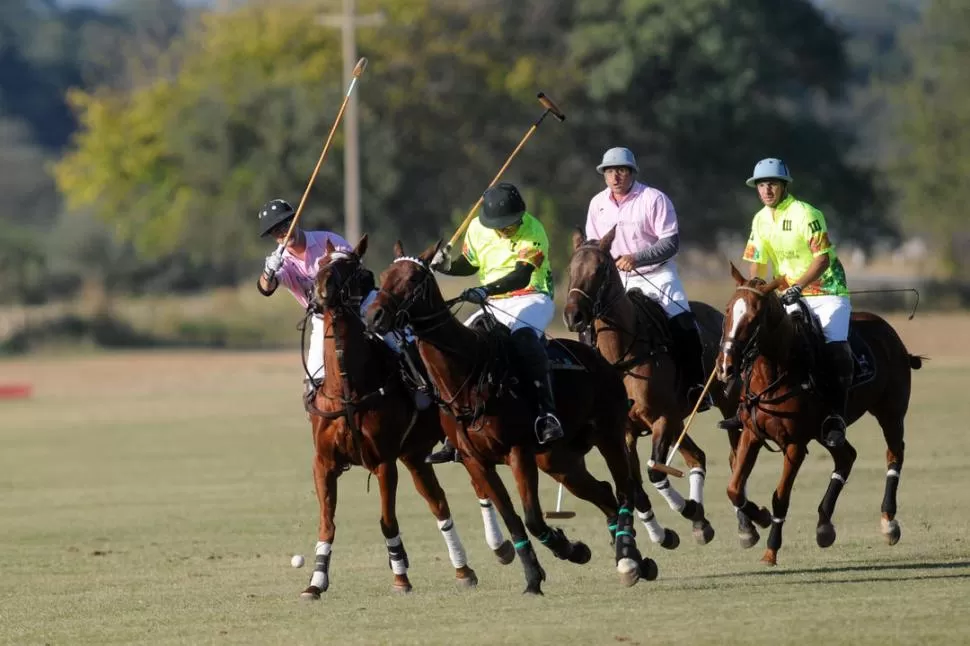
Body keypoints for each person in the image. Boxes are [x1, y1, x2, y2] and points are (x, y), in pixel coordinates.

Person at [425, 182, 563, 464]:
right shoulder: (477, 227)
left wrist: (486, 290)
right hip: (492, 301)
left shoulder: (533, 229)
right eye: (500, 225)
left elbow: (522, 276)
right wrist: (447, 266)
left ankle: (546, 414)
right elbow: (471, 263)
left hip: (532, 296)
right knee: (456, 345)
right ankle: (455, 433)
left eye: (509, 224)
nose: (504, 229)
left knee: (524, 338)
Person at [720, 158, 852, 448]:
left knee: (834, 348)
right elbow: (757, 263)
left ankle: (835, 416)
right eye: (761, 185)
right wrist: (756, 292)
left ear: (784, 185)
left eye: (772, 184)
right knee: (754, 337)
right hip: (784, 293)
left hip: (826, 292)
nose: (766, 189)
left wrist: (798, 287)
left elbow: (822, 258)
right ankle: (745, 407)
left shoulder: (807, 213)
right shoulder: (760, 219)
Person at [256, 198, 429, 402]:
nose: (282, 232)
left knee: (399, 342)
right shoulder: (282, 261)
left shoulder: (327, 240)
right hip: (324, 317)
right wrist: (268, 272)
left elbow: (358, 272)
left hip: (360, 303)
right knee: (312, 381)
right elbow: (266, 288)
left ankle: (425, 388)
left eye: (285, 224)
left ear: (295, 220)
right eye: (275, 231)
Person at [584, 146, 712, 412]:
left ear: (632, 172)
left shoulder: (653, 199)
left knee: (683, 322)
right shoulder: (597, 204)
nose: (615, 176)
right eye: (609, 171)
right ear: (604, 175)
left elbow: (670, 243)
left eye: (621, 170)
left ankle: (694, 385)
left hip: (657, 275)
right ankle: (595, 388)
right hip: (616, 280)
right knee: (588, 326)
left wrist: (637, 258)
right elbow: (593, 245)